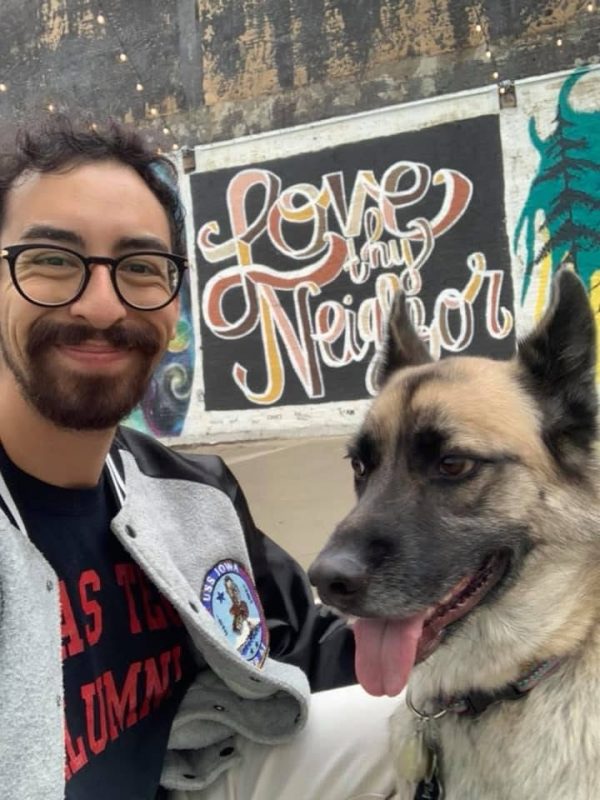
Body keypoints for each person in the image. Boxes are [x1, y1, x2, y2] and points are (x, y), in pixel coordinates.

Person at [0, 119, 398, 800]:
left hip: (194, 781)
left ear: (174, 301)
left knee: (425, 725)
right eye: (52, 261)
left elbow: (303, 651)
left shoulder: (192, 495)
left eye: (141, 268)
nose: (102, 305)